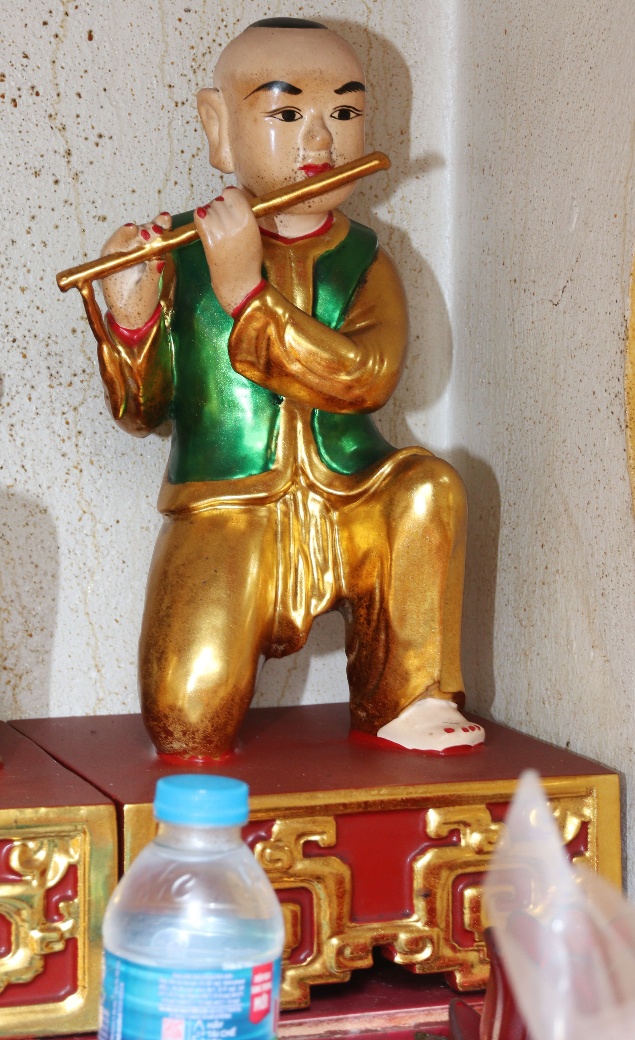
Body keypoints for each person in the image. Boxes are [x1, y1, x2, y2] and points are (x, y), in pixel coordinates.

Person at [99, 17, 484, 760]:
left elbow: (366, 378)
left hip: (350, 498)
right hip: (225, 507)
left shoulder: (364, 258)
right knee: (184, 723)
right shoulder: (183, 254)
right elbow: (142, 413)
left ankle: (408, 696)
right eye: (286, 113)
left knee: (427, 487)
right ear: (219, 128)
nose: (320, 140)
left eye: (343, 112)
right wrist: (133, 317)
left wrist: (247, 294)